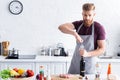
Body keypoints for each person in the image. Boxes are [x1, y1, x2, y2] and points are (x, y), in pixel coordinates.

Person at [58, 3, 106, 74]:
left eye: (89, 15)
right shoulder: (78, 24)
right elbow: (61, 27)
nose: (87, 18)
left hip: (89, 65)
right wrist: (74, 33)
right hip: (76, 63)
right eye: (85, 15)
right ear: (82, 14)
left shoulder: (98, 28)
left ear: (94, 14)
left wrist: (87, 54)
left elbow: (102, 49)